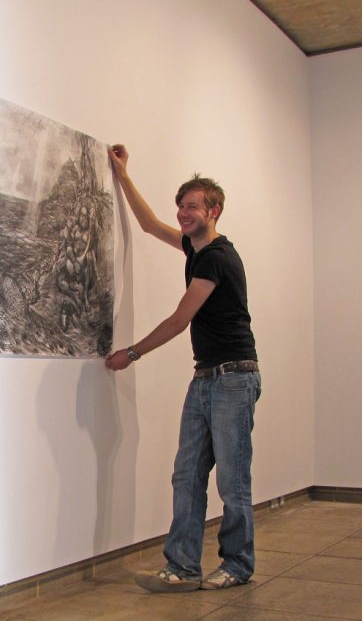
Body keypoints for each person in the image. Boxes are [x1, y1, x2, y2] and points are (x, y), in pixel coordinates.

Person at [105, 144, 260, 593]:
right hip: (207, 376)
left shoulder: (216, 256)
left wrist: (131, 353)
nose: (182, 212)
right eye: (181, 205)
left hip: (235, 376)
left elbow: (179, 318)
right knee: (187, 472)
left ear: (214, 210)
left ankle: (238, 564)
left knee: (233, 479)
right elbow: (150, 224)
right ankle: (182, 567)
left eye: (192, 206)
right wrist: (123, 173)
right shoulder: (194, 247)